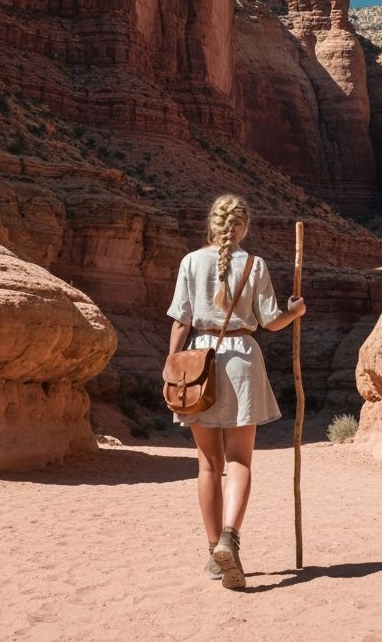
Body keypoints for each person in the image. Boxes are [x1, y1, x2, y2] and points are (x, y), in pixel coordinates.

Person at [165, 193, 306, 590]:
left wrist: (171, 365)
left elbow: (181, 321)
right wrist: (295, 311)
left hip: (199, 362)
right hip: (243, 359)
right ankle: (230, 537)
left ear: (212, 224)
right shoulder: (255, 264)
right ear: (243, 227)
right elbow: (271, 322)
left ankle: (214, 549)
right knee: (240, 460)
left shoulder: (191, 262)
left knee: (208, 465)